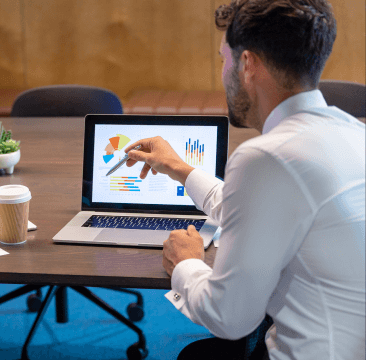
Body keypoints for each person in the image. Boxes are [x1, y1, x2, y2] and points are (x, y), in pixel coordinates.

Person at [123, 0, 365, 359]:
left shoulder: (266, 157)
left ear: (247, 64)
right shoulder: (352, 132)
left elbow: (229, 318)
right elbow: (264, 209)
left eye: (225, 58)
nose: (223, 71)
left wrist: (186, 263)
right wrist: (181, 169)